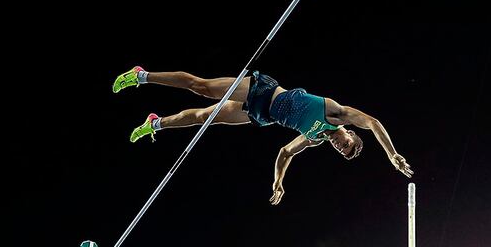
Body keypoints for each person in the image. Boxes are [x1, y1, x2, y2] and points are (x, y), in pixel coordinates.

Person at [113, 66, 414, 205]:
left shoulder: (314, 138)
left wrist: (278, 183)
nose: (337, 144)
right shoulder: (336, 113)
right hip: (265, 91)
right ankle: (141, 76)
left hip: (261, 115)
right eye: (344, 143)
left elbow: (285, 152)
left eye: (339, 150)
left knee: (205, 118)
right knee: (200, 86)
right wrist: (392, 154)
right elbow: (373, 122)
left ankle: (155, 123)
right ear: (348, 133)